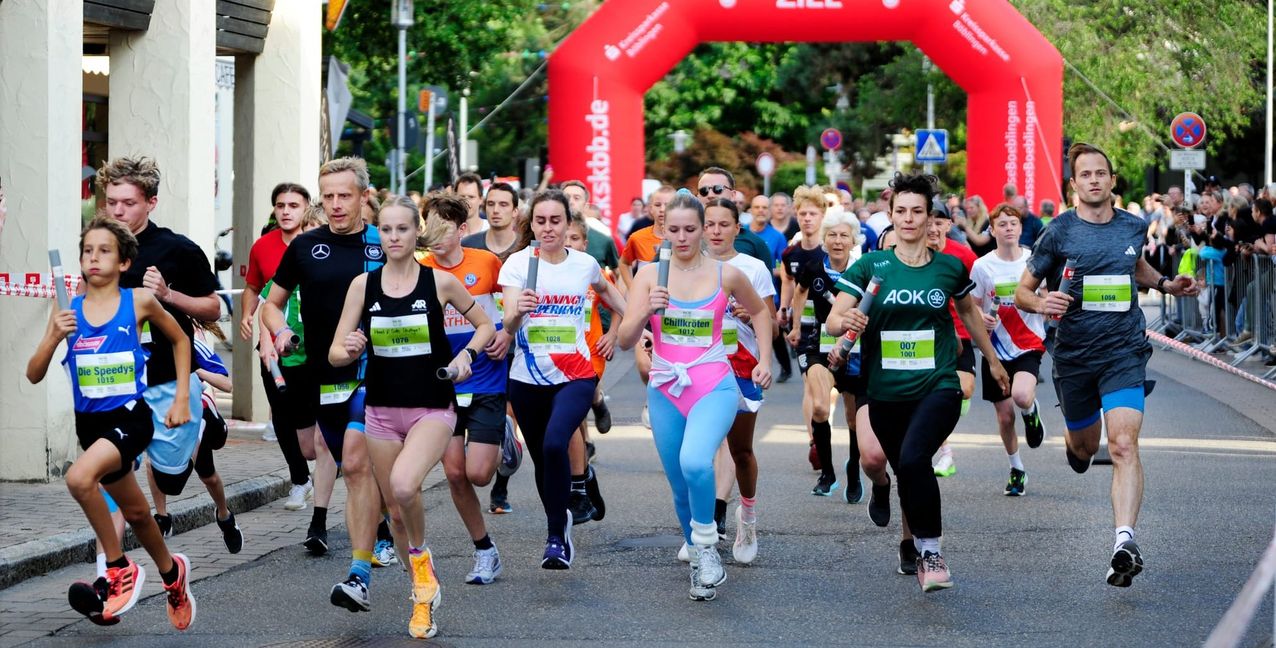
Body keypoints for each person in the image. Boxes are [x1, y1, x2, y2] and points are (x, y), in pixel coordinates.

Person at [1015, 142, 1197, 588]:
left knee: (1122, 446)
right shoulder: (1058, 232)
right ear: (1073, 184)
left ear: (1113, 181)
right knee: (1083, 449)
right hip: (1074, 357)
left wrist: (1167, 283)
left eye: (1102, 173)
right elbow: (1023, 290)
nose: (1094, 180)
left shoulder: (1133, 226)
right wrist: (1042, 302)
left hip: (1123, 353)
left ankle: (1124, 541)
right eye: (1086, 174)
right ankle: (1077, 446)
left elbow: (1133, 266)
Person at [828, 172, 1009, 593]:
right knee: (903, 468)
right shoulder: (873, 266)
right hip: (886, 391)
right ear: (890, 217)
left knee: (913, 459)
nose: (909, 219)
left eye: (918, 212)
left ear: (930, 219)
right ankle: (912, 540)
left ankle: (931, 552)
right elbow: (835, 318)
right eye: (901, 212)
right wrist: (845, 321)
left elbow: (968, 315)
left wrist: (994, 361)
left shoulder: (948, 267)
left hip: (938, 383)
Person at [329, 195, 495, 639]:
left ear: (415, 231)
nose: (394, 237)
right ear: (377, 234)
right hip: (381, 412)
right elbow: (334, 350)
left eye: (403, 229)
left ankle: (422, 565)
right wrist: (347, 349)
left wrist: (467, 358)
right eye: (386, 230)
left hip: (433, 408)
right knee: (397, 515)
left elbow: (486, 325)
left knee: (405, 485)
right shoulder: (363, 286)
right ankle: (422, 596)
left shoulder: (438, 283)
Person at [27, 216, 196, 628]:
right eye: (87, 251)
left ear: (123, 262)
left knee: (78, 479)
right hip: (90, 424)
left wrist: (181, 399)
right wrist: (53, 336)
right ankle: (173, 576)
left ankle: (119, 569)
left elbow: (180, 339)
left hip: (130, 417)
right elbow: (33, 373)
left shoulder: (138, 300)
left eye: (104, 251)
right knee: (137, 514)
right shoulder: (67, 307)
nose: (94, 258)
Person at [618, 191, 772, 602]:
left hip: (713, 383)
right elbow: (623, 340)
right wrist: (643, 310)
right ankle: (702, 561)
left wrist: (764, 358)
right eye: (674, 230)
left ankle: (705, 549)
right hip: (666, 386)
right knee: (680, 485)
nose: (683, 237)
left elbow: (760, 312)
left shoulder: (726, 275)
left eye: (691, 229)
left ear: (704, 230)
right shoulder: (650, 275)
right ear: (663, 230)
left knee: (694, 460)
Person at [261, 157, 387, 611]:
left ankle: (359, 573)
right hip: (323, 374)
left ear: (363, 197)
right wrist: (281, 332)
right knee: (357, 469)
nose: (335, 205)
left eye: (344, 196)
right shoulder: (305, 247)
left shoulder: (384, 242)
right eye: (327, 196)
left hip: (378, 371)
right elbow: (270, 304)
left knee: (354, 464)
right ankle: (388, 532)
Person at [499, 190, 626, 569]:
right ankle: (559, 526)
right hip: (527, 377)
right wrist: (517, 311)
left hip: (575, 374)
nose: (549, 228)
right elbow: (506, 323)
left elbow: (617, 300)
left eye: (556, 221)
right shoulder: (518, 265)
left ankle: (555, 539)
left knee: (557, 442)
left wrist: (622, 329)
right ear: (531, 225)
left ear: (568, 224)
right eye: (541, 221)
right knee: (542, 459)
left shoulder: (584, 264)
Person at [419, 193, 514, 585]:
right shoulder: (420, 269)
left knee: (478, 475)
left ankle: (509, 439)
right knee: (455, 473)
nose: (436, 237)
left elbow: (509, 312)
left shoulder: (487, 263)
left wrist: (507, 332)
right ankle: (484, 550)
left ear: (462, 230)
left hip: (486, 377)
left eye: (445, 228)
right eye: (430, 228)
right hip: (443, 384)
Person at [701, 197, 776, 564]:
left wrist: (750, 320)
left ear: (736, 228)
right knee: (696, 452)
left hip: (742, 366)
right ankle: (699, 529)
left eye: (723, 224)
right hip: (700, 366)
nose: (716, 231)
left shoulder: (753, 268)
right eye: (709, 224)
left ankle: (747, 515)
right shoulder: (689, 266)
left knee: (740, 450)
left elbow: (771, 321)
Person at [241, 183, 323, 512]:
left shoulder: (317, 246)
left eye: (293, 205)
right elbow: (259, 292)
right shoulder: (263, 246)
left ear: (307, 209)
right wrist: (252, 322)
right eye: (280, 205)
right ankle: (300, 481)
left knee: (313, 427)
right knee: (282, 417)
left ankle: (327, 466)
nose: (286, 211)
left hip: (314, 350)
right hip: (274, 346)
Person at [787, 198, 865, 500]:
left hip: (856, 348)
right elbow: (800, 292)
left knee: (852, 416)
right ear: (825, 238)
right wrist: (795, 326)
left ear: (853, 241)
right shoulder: (812, 266)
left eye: (844, 235)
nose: (837, 241)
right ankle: (828, 473)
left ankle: (854, 469)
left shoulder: (863, 270)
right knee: (820, 406)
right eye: (832, 235)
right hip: (819, 345)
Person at [969, 203, 1048, 496]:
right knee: (1004, 417)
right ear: (992, 230)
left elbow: (1044, 294)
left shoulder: (1034, 260)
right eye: (1002, 224)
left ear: (1020, 228)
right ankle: (1017, 469)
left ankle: (1031, 411)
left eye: (1013, 223)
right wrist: (982, 319)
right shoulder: (982, 266)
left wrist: (1046, 305)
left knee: (1021, 395)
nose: (1009, 228)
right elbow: (973, 307)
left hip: (1028, 341)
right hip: (996, 347)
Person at [780, 186, 832, 474]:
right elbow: (788, 282)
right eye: (802, 214)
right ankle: (814, 439)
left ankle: (824, 424)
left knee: (827, 388)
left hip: (830, 325)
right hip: (803, 325)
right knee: (809, 383)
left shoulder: (832, 249)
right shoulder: (791, 253)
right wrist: (784, 308)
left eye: (813, 213)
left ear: (822, 215)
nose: (807, 219)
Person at [926, 200, 978, 478]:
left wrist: (984, 314)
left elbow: (979, 292)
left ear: (949, 223)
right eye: (929, 220)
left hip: (961, 332)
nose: (933, 228)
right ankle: (946, 453)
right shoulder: (916, 256)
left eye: (939, 221)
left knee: (965, 390)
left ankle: (953, 403)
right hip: (927, 335)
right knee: (935, 396)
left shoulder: (964, 256)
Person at [696, 168, 771, 265]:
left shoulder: (755, 244)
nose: (710, 195)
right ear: (698, 196)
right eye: (704, 190)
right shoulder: (685, 240)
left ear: (733, 195)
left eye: (718, 189)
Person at [461, 182, 520, 260]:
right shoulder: (467, 245)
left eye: (503, 204)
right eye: (491, 204)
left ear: (515, 211)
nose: (496, 210)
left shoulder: (525, 246)